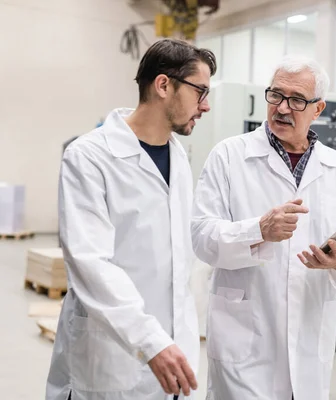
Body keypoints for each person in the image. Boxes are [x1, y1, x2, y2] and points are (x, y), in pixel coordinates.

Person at [190, 55, 336, 400]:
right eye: (275, 95)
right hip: (245, 339)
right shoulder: (229, 156)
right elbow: (201, 237)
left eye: (296, 100)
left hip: (308, 333)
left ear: (318, 108)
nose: (282, 108)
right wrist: (258, 230)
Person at [45, 39, 216, 400]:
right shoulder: (90, 157)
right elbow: (90, 262)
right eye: (200, 91)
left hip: (171, 354)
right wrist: (150, 340)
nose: (206, 105)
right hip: (111, 353)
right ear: (164, 85)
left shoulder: (178, 158)